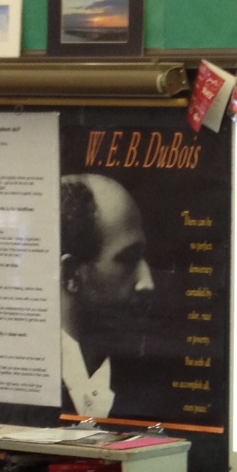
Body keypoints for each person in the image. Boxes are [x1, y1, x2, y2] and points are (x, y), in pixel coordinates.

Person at [60, 173, 170, 420]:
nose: (148, 283)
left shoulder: (149, 388)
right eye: (128, 260)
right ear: (71, 276)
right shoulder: (20, 384)